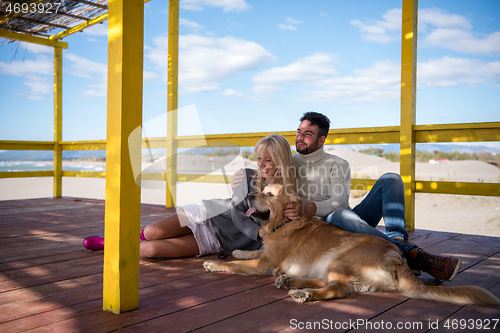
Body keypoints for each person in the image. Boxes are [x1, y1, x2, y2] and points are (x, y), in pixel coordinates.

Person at [232, 112, 462, 282]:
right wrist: (242, 174)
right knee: (342, 215)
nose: (300, 138)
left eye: (308, 134)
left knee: (390, 180)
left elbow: (338, 202)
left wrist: (309, 208)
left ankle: (398, 241)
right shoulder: (289, 162)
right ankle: (411, 256)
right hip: (314, 233)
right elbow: (267, 172)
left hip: (340, 221)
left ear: (321, 140)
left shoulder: (338, 164)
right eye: (299, 132)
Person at [83, 133, 296, 259]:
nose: (261, 164)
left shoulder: (288, 195)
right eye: (259, 158)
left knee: (151, 250)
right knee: (152, 231)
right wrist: (259, 232)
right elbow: (236, 212)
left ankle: (114, 247)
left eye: (267, 160)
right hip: (208, 212)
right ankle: (110, 241)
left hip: (221, 240)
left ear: (280, 160)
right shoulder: (248, 176)